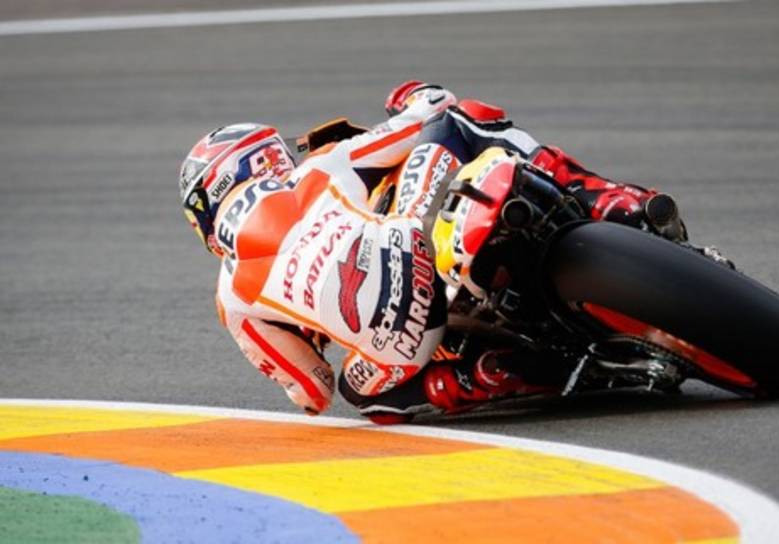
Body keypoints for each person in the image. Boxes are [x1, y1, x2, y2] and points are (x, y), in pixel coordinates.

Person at [178, 81, 684, 423]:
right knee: (460, 121)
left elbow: (313, 392)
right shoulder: (319, 166)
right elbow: (429, 113)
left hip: (403, 343)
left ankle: (499, 373)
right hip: (418, 243)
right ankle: (609, 200)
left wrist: (313, 326)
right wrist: (413, 96)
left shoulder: (231, 299)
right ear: (262, 159)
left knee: (363, 397)